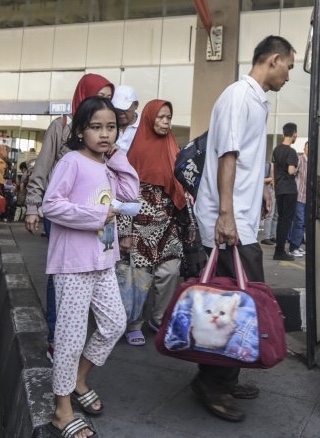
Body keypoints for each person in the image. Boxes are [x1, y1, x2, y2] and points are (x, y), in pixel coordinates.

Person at [194, 34, 295, 422]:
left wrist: (259, 195)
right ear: (273, 60)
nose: (289, 73)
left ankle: (225, 377)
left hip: (241, 219)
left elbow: (247, 161)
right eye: (288, 64)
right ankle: (211, 383)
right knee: (229, 306)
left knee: (238, 301)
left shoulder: (256, 99)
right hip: (229, 223)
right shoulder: (239, 95)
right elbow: (228, 156)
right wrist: (225, 214)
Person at [42, 96, 139, 438]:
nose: (104, 134)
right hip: (73, 265)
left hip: (103, 260)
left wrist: (119, 158)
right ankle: (62, 410)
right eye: (96, 127)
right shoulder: (71, 162)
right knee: (69, 339)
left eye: (111, 127)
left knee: (114, 323)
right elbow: (50, 205)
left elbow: (130, 192)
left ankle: (79, 379)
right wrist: (96, 215)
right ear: (81, 130)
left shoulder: (108, 164)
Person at [24, 73, 115, 363]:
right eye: (98, 95)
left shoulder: (106, 139)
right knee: (61, 276)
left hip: (96, 215)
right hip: (62, 208)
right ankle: (57, 337)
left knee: (87, 275)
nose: (103, 102)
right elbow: (43, 167)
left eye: (108, 98)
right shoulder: (61, 127)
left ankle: (72, 337)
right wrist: (32, 206)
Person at [118, 99, 185, 346]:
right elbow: (124, 194)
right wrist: (125, 231)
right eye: (161, 117)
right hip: (140, 223)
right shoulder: (134, 152)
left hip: (167, 224)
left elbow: (180, 186)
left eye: (169, 117)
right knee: (139, 275)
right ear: (149, 118)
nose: (166, 121)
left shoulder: (173, 148)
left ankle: (158, 318)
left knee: (170, 271)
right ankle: (133, 323)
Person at [271, 122, 298, 261]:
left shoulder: (276, 149)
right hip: (289, 189)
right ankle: (280, 251)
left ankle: (279, 250)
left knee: (281, 220)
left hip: (279, 189)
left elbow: (273, 169)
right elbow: (291, 170)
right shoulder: (291, 151)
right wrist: (296, 170)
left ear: (283, 134)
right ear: (294, 134)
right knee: (286, 221)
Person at [288, 141, 308, 257]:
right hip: (299, 196)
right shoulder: (300, 159)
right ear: (304, 148)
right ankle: (293, 247)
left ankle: (298, 245)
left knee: (304, 223)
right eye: (307, 147)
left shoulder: (312, 162)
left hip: (307, 197)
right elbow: (293, 173)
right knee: (299, 222)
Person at [111, 85, 140, 154]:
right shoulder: (108, 126)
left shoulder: (145, 127)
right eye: (117, 109)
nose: (121, 113)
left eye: (125, 108)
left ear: (136, 105)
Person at [259, 161, 277, 246]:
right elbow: (260, 178)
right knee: (270, 214)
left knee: (275, 215)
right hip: (269, 189)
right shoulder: (268, 165)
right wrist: (272, 178)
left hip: (275, 189)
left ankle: (273, 235)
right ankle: (267, 237)